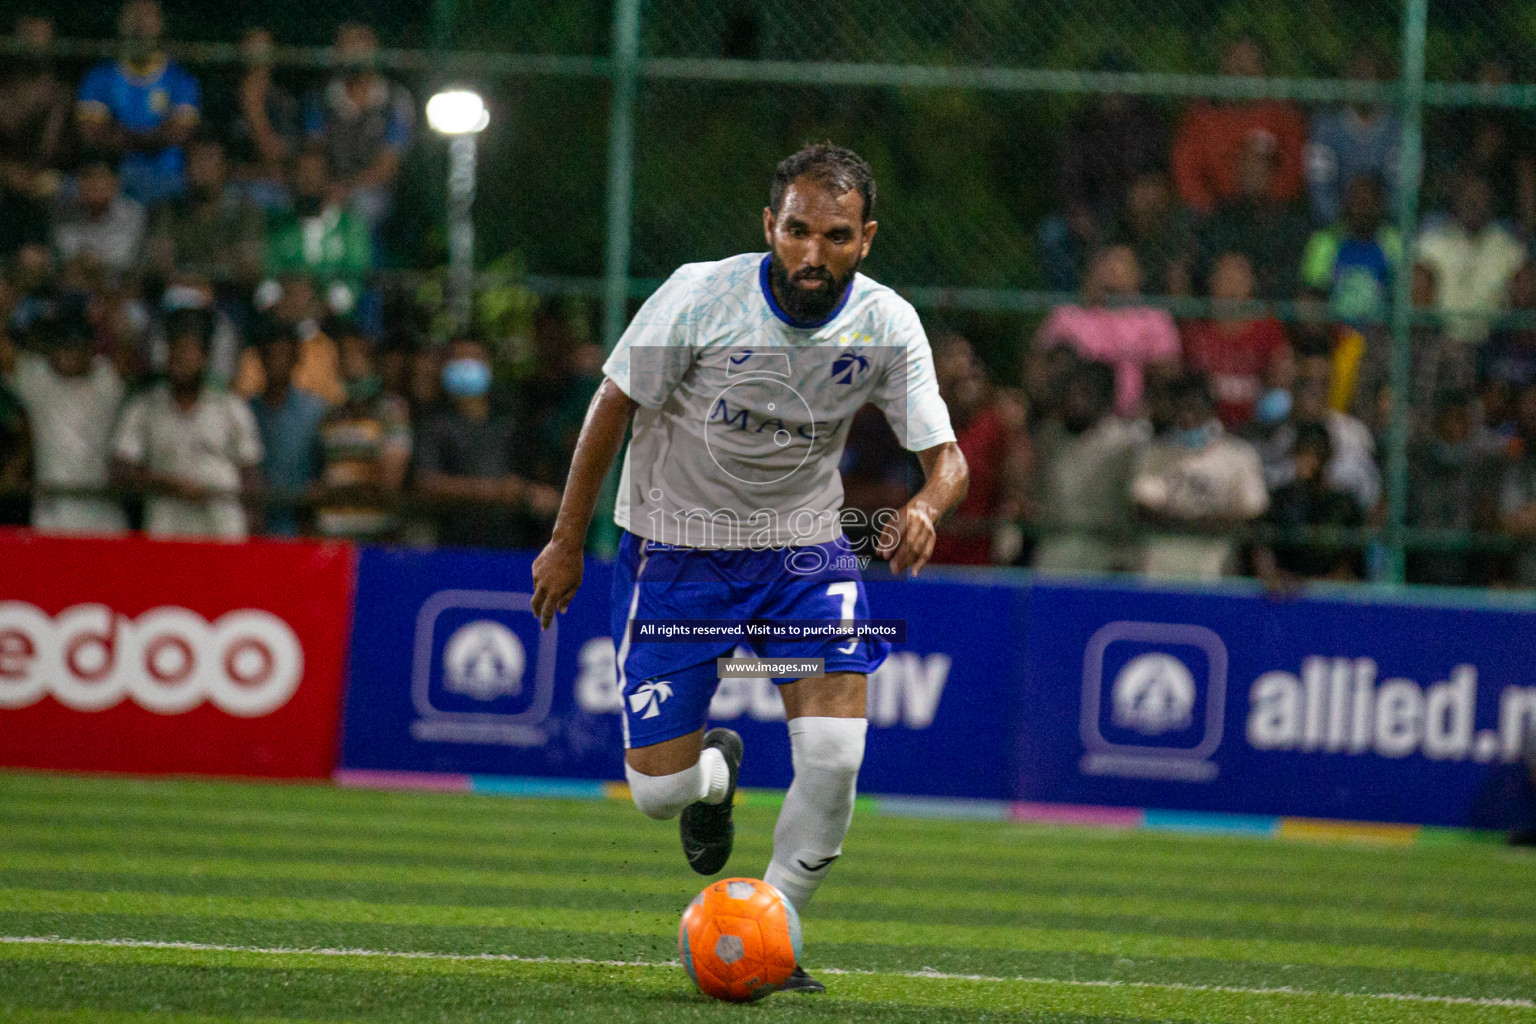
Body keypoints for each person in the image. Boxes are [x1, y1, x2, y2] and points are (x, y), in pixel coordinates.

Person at [529, 144, 966, 993]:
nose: (812, 252)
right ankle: (716, 772)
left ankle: (776, 926)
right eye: (796, 230)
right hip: (678, 557)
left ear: (865, 237)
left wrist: (924, 508)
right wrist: (566, 540)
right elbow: (611, 403)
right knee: (659, 795)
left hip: (802, 557)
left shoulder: (887, 323)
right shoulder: (701, 294)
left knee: (836, 754)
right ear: (770, 226)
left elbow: (945, 458)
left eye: (835, 235)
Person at [112, 307, 263, 539]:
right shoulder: (145, 406)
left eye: (188, 351)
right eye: (175, 350)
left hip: (222, 529)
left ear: (204, 358)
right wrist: (169, 484)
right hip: (166, 529)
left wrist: (251, 523)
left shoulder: (230, 407)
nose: (180, 358)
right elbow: (121, 470)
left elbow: (250, 471)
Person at [414, 336, 560, 548]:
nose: (466, 366)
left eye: (473, 359)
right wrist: (491, 491)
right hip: (449, 544)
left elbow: (536, 477)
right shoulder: (432, 421)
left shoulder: (510, 419)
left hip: (508, 543)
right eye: (458, 359)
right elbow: (425, 483)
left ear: (488, 365)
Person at [1, 296, 127, 534]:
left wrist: (109, 308)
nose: (71, 351)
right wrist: (8, 303)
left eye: (79, 344)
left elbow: (130, 350)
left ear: (91, 347)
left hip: (103, 518)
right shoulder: (36, 378)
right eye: (65, 344)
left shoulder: (106, 380)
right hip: (51, 517)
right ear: (52, 346)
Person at [1129, 372, 1268, 580]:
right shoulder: (1152, 455)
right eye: (1180, 410)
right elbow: (1145, 512)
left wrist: (1180, 521)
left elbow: (1249, 517)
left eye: (1194, 409)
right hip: (1159, 573)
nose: (1187, 418)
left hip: (1216, 573)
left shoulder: (1239, 455)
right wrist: (1210, 523)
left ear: (1211, 410)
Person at [1039, 75, 1168, 291]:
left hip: (1133, 211)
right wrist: (1076, 211)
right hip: (1095, 212)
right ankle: (1070, 307)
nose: (1112, 95)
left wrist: (1147, 198)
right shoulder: (1082, 129)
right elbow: (1069, 181)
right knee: (1052, 233)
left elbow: (1159, 177)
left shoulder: (1148, 124)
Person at [75, 0, 200, 206]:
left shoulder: (181, 78)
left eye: (148, 15)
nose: (141, 24)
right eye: (134, 14)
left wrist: (122, 136)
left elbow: (180, 133)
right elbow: (90, 133)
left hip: (168, 178)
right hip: (114, 179)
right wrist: (152, 137)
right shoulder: (100, 76)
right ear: (120, 22)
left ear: (161, 23)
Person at [1034, 244, 1181, 418]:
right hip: (1075, 417)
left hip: (1134, 419)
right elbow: (1038, 364)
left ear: (1138, 273)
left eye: (1122, 262)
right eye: (1107, 261)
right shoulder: (1067, 316)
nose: (1113, 268)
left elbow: (1170, 371)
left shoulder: (1154, 319)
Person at [1031, 360, 1147, 574]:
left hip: (1105, 549)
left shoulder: (1125, 442)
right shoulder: (1050, 438)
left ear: (1100, 398)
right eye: (1070, 395)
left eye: (1083, 395)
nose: (1075, 402)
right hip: (1055, 546)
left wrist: (1125, 556)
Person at [1170, 36, 1306, 216]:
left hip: (1271, 210)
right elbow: (1186, 168)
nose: (1242, 69)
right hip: (1215, 211)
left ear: (1263, 69)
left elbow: (1295, 163)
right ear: (1224, 65)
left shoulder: (1280, 113)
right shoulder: (1203, 114)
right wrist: (1206, 206)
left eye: (1251, 62)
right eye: (1236, 60)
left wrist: (1276, 198)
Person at [304, 23, 414, 230]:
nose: (355, 52)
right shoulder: (320, 98)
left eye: (361, 43)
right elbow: (313, 153)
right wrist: (326, 188)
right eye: (347, 44)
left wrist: (346, 189)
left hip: (373, 190)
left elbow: (387, 167)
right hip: (329, 184)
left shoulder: (397, 100)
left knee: (365, 205)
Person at [314, 329, 411, 541]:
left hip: (375, 534)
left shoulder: (393, 412)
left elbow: (391, 478)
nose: (351, 365)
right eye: (344, 357)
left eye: (357, 356)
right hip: (332, 533)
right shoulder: (329, 417)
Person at [1180, 251, 1290, 429]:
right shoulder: (1196, 328)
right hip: (1205, 425)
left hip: (1256, 425)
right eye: (1225, 277)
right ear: (1212, 282)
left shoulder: (1267, 327)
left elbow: (1282, 377)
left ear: (1250, 284)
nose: (1231, 288)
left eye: (1238, 279)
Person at [1415, 172, 1526, 347]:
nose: (1473, 203)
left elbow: (1522, 298)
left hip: (1492, 344)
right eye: (1468, 196)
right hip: (1440, 340)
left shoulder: (1508, 247)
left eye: (1480, 196)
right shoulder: (1433, 241)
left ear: (1492, 200)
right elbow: (1418, 299)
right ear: (1456, 198)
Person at [1197, 137, 1311, 299]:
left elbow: (1292, 276)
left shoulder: (1290, 222)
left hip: (1271, 312)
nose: (1254, 172)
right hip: (1225, 310)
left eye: (1261, 165)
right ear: (1238, 169)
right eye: (1248, 164)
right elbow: (1205, 268)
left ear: (1272, 173)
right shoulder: (1220, 218)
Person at [265, 145, 372, 315]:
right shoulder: (278, 226)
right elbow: (266, 279)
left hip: (334, 322)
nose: (308, 180)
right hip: (284, 319)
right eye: (302, 172)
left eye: (315, 173)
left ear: (329, 179)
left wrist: (319, 308)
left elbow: (354, 281)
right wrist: (282, 305)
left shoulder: (350, 228)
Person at [144, 138, 266, 286]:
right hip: (178, 293)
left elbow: (247, 269)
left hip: (229, 295)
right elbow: (160, 264)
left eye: (208, 160)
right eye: (193, 160)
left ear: (224, 168)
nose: (200, 168)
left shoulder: (245, 213)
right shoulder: (168, 210)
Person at [1255, 422, 1364, 586]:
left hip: (1330, 595)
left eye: (1315, 454)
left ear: (1327, 456)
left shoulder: (1344, 505)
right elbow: (1262, 546)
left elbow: (1352, 561)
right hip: (1285, 592)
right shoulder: (1280, 499)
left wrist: (1315, 585)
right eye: (1303, 453)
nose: (1308, 461)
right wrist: (1272, 576)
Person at [0, 15, 71, 258]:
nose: (34, 43)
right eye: (28, 35)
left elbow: (56, 149)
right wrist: (7, 172)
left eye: (40, 37)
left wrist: (40, 177)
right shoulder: (4, 89)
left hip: (44, 182)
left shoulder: (59, 93)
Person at [248, 321, 327, 536]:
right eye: (271, 355)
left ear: (296, 359)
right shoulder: (245, 411)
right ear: (261, 359)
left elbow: (327, 468)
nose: (277, 362)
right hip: (254, 529)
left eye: (284, 355)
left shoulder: (316, 411)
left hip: (302, 529)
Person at [1304, 51, 1400, 226]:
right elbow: (1320, 189)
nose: (1363, 84)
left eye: (1369, 77)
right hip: (1336, 227)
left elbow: (1400, 192)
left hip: (1383, 227)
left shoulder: (1397, 130)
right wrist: (1345, 225)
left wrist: (1373, 225)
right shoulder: (1326, 127)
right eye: (1357, 76)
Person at [1299, 175, 1402, 327]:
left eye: (1368, 203)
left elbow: (1402, 291)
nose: (1362, 211)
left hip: (1382, 332)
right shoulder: (1326, 242)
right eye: (1357, 203)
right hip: (1335, 333)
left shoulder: (1393, 242)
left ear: (1380, 205)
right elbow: (1312, 293)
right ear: (1346, 204)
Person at [51, 162, 146, 278]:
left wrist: (94, 261)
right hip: (74, 280)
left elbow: (125, 258)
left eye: (100, 178)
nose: (94, 184)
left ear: (114, 184)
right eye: (88, 178)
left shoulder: (132, 213)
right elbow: (64, 252)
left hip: (118, 281)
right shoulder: (64, 213)